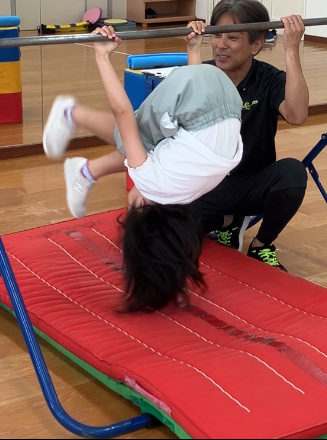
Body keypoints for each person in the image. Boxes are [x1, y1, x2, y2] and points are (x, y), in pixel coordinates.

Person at [42, 25, 245, 311]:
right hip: (197, 96)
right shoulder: (151, 182)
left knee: (148, 145)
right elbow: (122, 112)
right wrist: (101, 56)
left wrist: (193, 48)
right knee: (131, 136)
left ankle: (87, 171)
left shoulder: (191, 191)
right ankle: (71, 115)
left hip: (227, 96)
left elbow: (199, 95)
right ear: (140, 207)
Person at [185, 0, 310, 271]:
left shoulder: (269, 78)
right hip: (208, 185)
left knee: (292, 173)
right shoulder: (204, 72)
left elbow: (297, 115)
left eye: (232, 38)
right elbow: (192, 111)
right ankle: (228, 222)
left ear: (256, 45)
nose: (221, 45)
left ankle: (261, 245)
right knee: (166, 227)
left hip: (251, 183)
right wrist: (193, 49)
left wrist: (291, 50)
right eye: (217, 35)